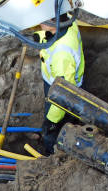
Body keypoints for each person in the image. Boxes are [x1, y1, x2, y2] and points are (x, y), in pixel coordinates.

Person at [33, 14, 85, 155]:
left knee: (54, 129)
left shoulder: (61, 53)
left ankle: (53, 156)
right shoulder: (68, 20)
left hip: (62, 89)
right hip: (60, 80)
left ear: (51, 23)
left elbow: (64, 96)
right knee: (64, 117)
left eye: (41, 22)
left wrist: (51, 122)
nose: (38, 23)